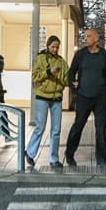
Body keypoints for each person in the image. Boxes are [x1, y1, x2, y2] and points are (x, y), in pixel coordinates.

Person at [65, 28, 106, 171]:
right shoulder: (80, 55)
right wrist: (75, 90)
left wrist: (105, 92)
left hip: (100, 98)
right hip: (83, 97)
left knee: (101, 129)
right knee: (78, 127)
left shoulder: (105, 55)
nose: (85, 38)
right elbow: (71, 74)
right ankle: (69, 154)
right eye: (85, 36)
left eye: (88, 36)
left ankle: (102, 160)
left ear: (96, 38)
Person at [25, 35, 69, 168]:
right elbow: (35, 76)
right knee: (40, 127)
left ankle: (54, 159)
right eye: (53, 47)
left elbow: (67, 77)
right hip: (42, 97)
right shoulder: (41, 58)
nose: (55, 49)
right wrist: (48, 72)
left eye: (57, 47)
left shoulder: (61, 61)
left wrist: (71, 82)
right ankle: (30, 153)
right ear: (48, 46)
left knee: (56, 130)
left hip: (56, 98)